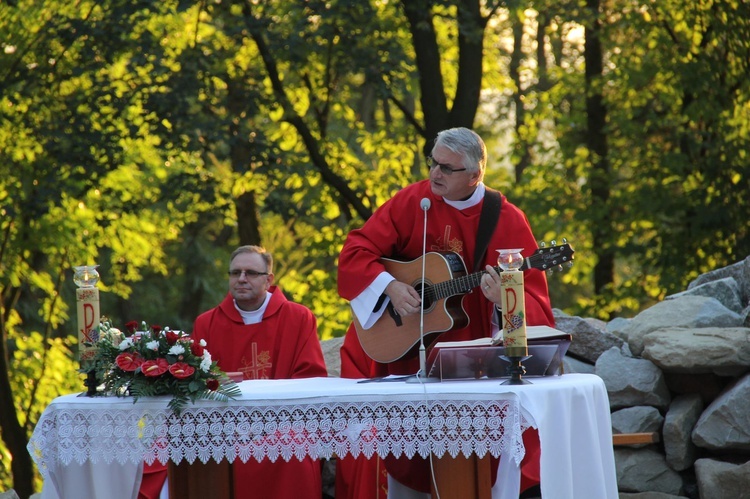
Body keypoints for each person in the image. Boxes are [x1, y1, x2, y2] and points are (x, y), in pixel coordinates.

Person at [336, 127, 554, 499]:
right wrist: (390, 286)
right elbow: (356, 251)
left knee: (471, 472)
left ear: (475, 175)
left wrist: (504, 301)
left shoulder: (507, 219)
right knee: (409, 465)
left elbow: (534, 304)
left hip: (475, 369)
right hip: (411, 360)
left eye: (447, 168)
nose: (435, 174)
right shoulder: (414, 201)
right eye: (433, 162)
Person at [140, 245, 328, 499]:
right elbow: (193, 382)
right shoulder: (207, 322)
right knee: (169, 447)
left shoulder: (298, 318)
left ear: (268, 280)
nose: (241, 278)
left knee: (293, 447)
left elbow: (311, 378)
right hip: (222, 423)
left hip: (281, 422)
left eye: (250, 272)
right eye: (235, 272)